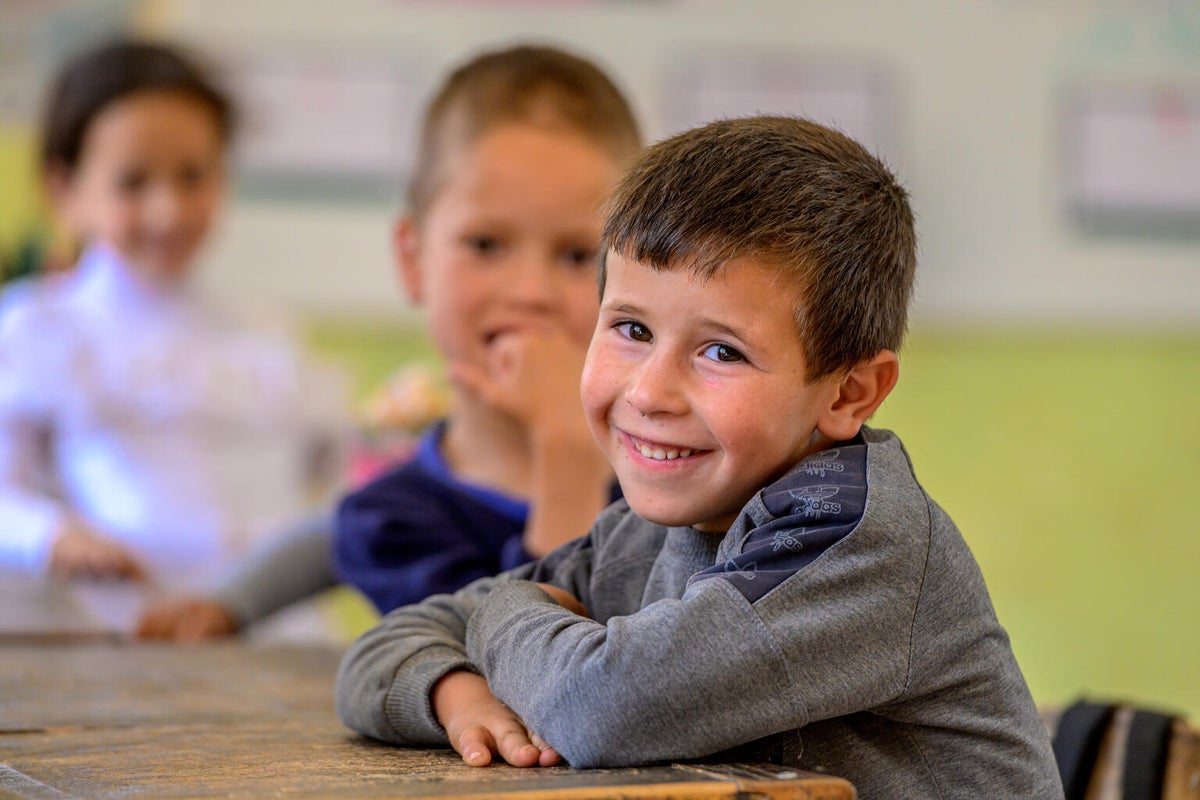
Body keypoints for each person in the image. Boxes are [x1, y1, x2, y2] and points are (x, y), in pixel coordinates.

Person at [334, 116, 1064, 799]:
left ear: (849, 392)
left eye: (722, 351)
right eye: (630, 328)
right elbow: (378, 652)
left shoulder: (855, 539)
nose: (651, 392)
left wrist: (500, 612)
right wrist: (453, 692)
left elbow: (604, 707)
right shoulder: (642, 531)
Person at [136, 44, 639, 638]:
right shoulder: (392, 520)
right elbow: (528, 669)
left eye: (578, 255)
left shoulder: (678, 482)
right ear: (413, 259)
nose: (531, 291)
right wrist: (569, 459)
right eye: (485, 245)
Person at [0, 40, 347, 591]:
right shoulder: (40, 327)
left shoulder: (264, 330)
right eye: (132, 182)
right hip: (117, 634)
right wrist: (54, 536)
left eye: (193, 176)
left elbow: (325, 477)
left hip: (273, 633)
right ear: (65, 187)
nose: (169, 211)